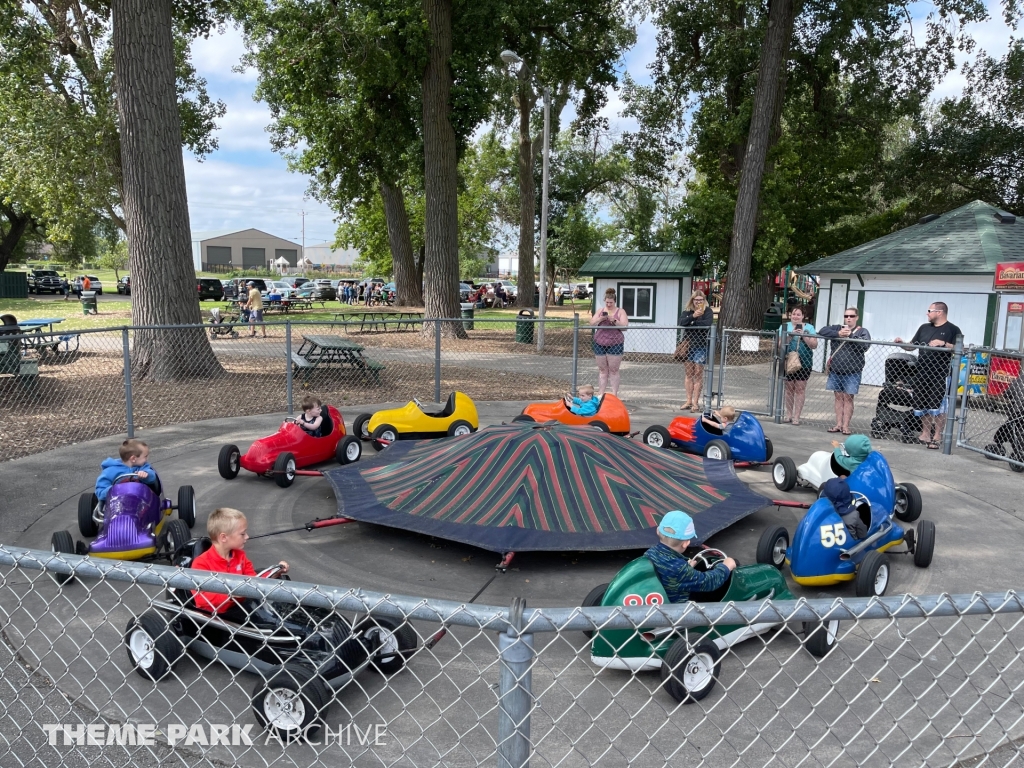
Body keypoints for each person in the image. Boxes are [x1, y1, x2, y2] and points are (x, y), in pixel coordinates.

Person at [190, 507, 289, 616]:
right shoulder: (201, 564)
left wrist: (274, 573)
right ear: (223, 537)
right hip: (213, 618)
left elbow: (254, 580)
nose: (247, 537)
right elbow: (202, 599)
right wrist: (232, 595)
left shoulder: (240, 556)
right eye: (242, 534)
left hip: (239, 613)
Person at [895, 302, 963, 449]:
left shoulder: (953, 329)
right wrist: (902, 343)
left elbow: (961, 348)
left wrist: (944, 344)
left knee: (939, 406)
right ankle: (925, 433)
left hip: (940, 373)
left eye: (929, 311)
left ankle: (937, 436)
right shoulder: (924, 328)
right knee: (923, 404)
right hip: (922, 372)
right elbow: (911, 346)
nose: (927, 313)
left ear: (939, 312)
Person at [645, 510, 736, 604]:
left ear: (657, 531)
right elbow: (708, 582)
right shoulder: (680, 569)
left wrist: (687, 568)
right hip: (678, 610)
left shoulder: (651, 553)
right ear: (685, 544)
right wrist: (726, 566)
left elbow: (668, 572)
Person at [818, 308, 871, 435]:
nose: (849, 318)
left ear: (857, 317)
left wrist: (850, 336)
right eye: (846, 315)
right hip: (836, 370)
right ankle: (838, 424)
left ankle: (846, 426)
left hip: (853, 371)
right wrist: (838, 334)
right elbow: (822, 331)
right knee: (837, 397)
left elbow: (865, 346)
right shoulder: (837, 328)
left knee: (848, 398)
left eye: (852, 316)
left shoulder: (862, 331)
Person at [780, 305, 818, 425]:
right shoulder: (784, 327)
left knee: (800, 389)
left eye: (798, 314)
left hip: (804, 362)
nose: (795, 317)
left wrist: (803, 335)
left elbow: (814, 345)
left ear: (803, 316)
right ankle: (789, 414)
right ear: (790, 315)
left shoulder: (809, 328)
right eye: (793, 314)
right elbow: (779, 344)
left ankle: (797, 416)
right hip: (788, 362)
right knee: (789, 388)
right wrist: (790, 335)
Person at [678, 290, 714, 411]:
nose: (698, 302)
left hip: (701, 345)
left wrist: (692, 322)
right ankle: (688, 400)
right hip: (688, 345)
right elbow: (682, 322)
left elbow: (707, 323)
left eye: (701, 300)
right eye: (696, 300)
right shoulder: (687, 312)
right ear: (692, 300)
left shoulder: (708, 311)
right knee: (689, 374)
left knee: (698, 373)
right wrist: (693, 317)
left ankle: (695, 403)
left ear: (704, 300)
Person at [95, 439, 158, 503]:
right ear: (133, 458)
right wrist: (114, 489)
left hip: (140, 500)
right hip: (117, 502)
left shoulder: (142, 467)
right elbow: (100, 492)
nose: (147, 459)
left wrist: (146, 474)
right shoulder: (110, 471)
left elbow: (152, 477)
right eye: (145, 456)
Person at [591, 288, 628, 398]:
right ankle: (601, 394)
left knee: (614, 370)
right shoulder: (600, 310)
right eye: (607, 302)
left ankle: (614, 395)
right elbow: (592, 324)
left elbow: (625, 327)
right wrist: (600, 319)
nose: (609, 304)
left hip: (615, 343)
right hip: (600, 342)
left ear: (614, 301)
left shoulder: (620, 311)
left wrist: (614, 320)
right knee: (602, 370)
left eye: (611, 302)